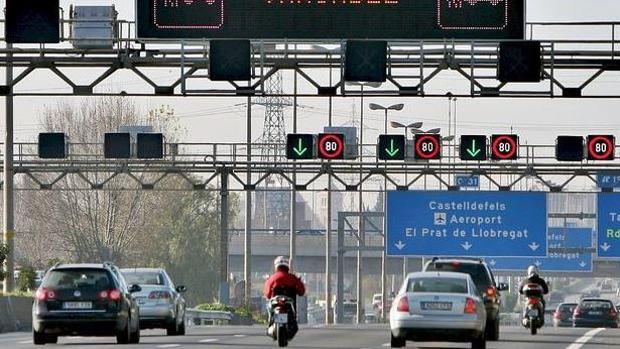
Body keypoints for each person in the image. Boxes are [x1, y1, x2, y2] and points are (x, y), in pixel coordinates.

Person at [263, 256, 306, 338]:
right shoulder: (293, 278)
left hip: (276, 304)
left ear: (276, 266)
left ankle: (270, 322)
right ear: (287, 266)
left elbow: (268, 294)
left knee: (269, 308)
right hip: (289, 306)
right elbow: (301, 292)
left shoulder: (272, 278)